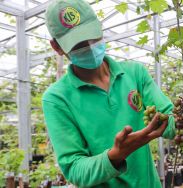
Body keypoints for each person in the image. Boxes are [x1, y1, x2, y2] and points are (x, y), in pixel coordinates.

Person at [42, 0, 175, 187]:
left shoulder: (135, 73)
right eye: (78, 44)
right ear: (57, 47)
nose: (89, 46)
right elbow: (74, 169)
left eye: (92, 36)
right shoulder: (57, 99)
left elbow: (169, 118)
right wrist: (116, 155)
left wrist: (177, 119)